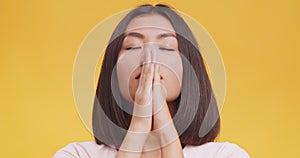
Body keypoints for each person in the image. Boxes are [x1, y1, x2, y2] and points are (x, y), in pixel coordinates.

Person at [53, 4, 250, 158]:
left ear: (189, 70)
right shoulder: (77, 154)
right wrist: (138, 126)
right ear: (112, 73)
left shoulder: (225, 155)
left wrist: (165, 130)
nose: (149, 55)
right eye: (132, 47)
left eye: (165, 47)